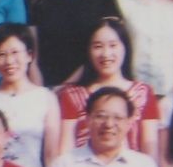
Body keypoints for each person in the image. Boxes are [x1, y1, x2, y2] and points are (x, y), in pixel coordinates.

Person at [54, 17, 161, 159]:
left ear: (125, 47)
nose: (106, 54)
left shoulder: (143, 93)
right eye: (98, 46)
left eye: (113, 45)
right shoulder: (72, 95)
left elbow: (150, 150)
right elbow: (65, 150)